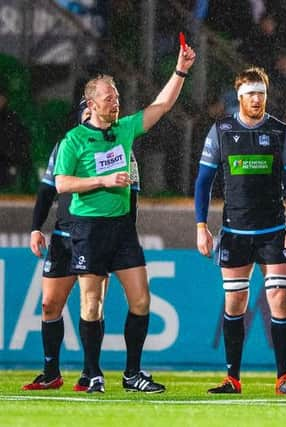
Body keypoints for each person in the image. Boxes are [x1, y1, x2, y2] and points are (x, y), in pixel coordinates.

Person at [53, 39, 196, 393]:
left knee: (141, 300)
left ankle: (132, 373)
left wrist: (180, 71)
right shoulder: (74, 140)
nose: (115, 102)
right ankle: (91, 373)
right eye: (108, 97)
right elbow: (61, 183)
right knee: (92, 302)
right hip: (87, 228)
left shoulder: (123, 130)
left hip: (121, 229)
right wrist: (102, 179)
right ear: (91, 103)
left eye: (116, 96)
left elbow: (161, 106)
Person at [194, 67, 286, 395]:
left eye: (262, 94)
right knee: (235, 302)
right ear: (239, 96)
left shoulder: (282, 132)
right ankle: (233, 378)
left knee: (279, 298)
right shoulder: (221, 131)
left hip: (274, 230)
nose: (257, 99)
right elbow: (203, 181)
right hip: (235, 231)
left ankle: (283, 376)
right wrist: (201, 226)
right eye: (251, 94)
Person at [22, 100, 141, 391]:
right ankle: (51, 372)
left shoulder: (122, 149)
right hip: (64, 236)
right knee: (50, 304)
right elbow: (47, 189)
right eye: (86, 114)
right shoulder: (67, 145)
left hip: (99, 234)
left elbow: (132, 194)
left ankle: (91, 372)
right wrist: (37, 228)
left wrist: (123, 234)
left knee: (93, 305)